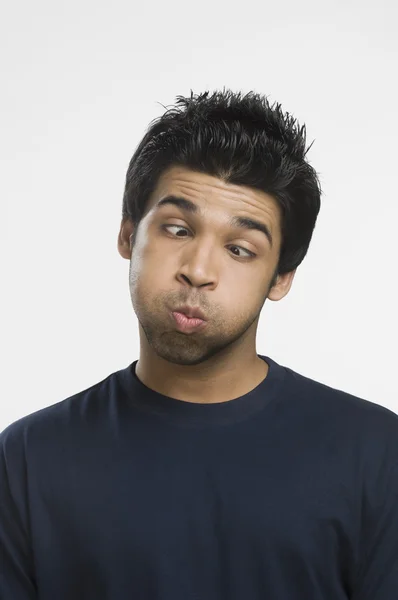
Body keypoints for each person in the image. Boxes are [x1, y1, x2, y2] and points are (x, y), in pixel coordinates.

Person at [1, 89, 397, 600]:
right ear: (128, 236)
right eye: (177, 228)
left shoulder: (377, 453)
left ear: (281, 278)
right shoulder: (29, 459)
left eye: (240, 249)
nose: (198, 270)